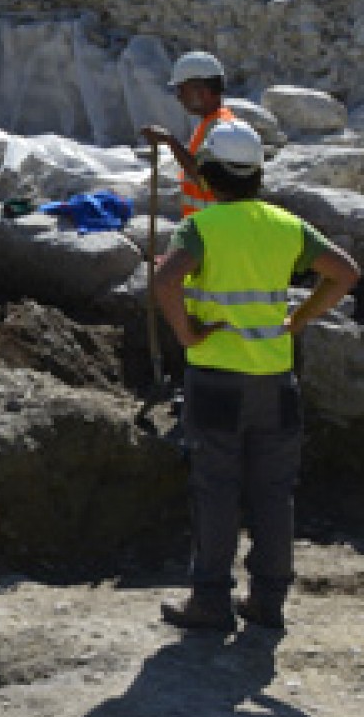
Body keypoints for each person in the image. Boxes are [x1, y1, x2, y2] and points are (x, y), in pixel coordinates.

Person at [151, 119, 360, 634]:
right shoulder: (286, 225)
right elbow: (346, 272)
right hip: (275, 380)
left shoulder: (201, 228)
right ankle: (268, 600)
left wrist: (186, 333)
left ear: (210, 174)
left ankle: (211, 602)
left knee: (216, 488)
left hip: (216, 381)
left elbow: (163, 280)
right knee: (273, 492)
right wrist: (302, 317)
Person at [141, 50, 236, 219]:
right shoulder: (208, 123)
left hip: (213, 227)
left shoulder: (220, 128)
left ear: (201, 91)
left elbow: (202, 177)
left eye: (182, 90)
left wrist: (169, 140)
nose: (179, 97)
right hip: (205, 224)